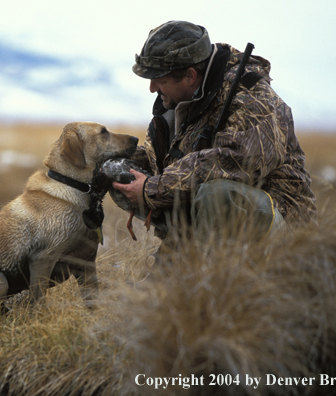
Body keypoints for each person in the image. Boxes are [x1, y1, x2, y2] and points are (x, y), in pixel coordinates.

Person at [112, 21, 317, 253]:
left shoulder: (252, 96)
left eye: (160, 79)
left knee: (216, 193)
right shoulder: (173, 106)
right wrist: (106, 159)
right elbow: (154, 162)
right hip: (208, 229)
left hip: (284, 234)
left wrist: (152, 189)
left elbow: (234, 163)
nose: (151, 88)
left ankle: (220, 281)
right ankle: (182, 265)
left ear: (190, 75)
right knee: (118, 173)